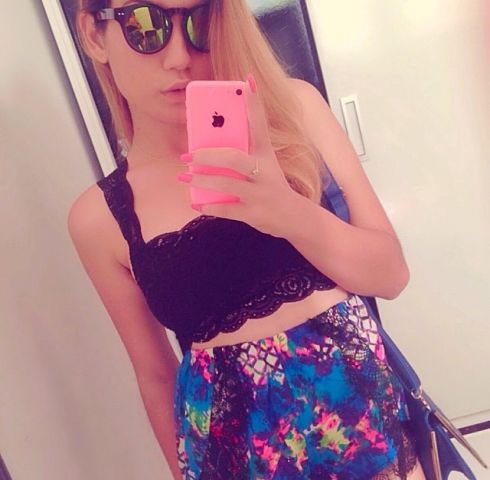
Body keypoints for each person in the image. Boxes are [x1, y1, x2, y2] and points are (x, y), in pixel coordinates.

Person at [70, 1, 427, 479]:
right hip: (236, 459)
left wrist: (286, 210)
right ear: (95, 34)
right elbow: (155, 376)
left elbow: (390, 275)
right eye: (145, 26)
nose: (179, 57)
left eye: (199, 23)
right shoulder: (100, 218)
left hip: (365, 436)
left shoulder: (296, 111)